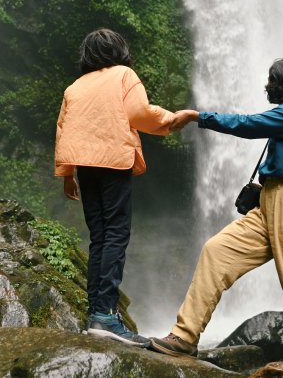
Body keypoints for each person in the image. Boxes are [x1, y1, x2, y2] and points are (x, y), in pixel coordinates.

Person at [151, 57, 283, 377]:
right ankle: (184, 336)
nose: (267, 86)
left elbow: (247, 124)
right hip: (269, 205)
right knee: (217, 250)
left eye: (272, 80)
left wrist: (198, 116)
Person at [54, 28, 175, 347]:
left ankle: (96, 312)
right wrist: (170, 120)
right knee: (116, 233)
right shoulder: (124, 74)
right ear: (119, 51)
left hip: (84, 166)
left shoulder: (75, 87)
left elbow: (63, 129)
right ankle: (106, 315)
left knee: (99, 236)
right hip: (112, 160)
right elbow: (139, 114)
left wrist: (68, 173)